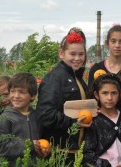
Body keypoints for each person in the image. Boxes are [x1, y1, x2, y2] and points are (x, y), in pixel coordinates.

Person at [36, 27, 91, 164]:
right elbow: (45, 114)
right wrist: (73, 124)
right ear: (62, 53)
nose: (77, 58)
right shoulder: (54, 78)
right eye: (72, 54)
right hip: (59, 153)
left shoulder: (77, 77)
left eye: (81, 54)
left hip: (74, 152)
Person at [0, 72, 47, 165]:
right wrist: (28, 145)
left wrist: (44, 150)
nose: (16, 96)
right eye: (13, 91)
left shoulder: (36, 116)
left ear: (33, 96)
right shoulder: (5, 118)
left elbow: (41, 142)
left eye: (21, 92)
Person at [83, 73, 121, 167]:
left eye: (114, 93)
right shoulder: (94, 120)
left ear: (119, 94)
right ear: (96, 94)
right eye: (105, 93)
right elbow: (88, 153)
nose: (109, 98)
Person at [88, 24, 121, 97]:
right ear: (107, 43)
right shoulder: (96, 69)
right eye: (113, 41)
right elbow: (90, 97)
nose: (117, 45)